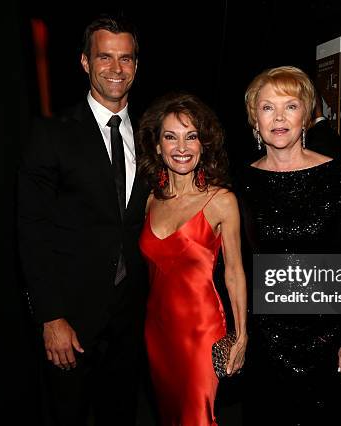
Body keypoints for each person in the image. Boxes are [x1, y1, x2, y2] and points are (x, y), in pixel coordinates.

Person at [17, 14, 149, 425]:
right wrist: (50, 316)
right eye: (105, 57)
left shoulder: (153, 135)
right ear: (85, 62)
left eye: (125, 59)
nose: (116, 69)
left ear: (136, 65)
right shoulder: (52, 134)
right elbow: (31, 230)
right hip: (70, 323)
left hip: (131, 323)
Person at [239, 66, 341, 425]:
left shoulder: (338, 176)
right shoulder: (244, 181)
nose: (279, 117)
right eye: (267, 108)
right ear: (255, 118)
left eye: (290, 106)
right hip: (266, 340)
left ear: (306, 116)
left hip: (328, 340)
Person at [136, 93, 248, 426]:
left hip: (202, 333)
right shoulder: (150, 201)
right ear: (157, 146)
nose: (181, 147)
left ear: (203, 144)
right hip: (157, 334)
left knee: (197, 418)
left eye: (191, 136)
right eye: (170, 136)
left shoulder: (221, 200)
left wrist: (241, 336)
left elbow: (235, 273)